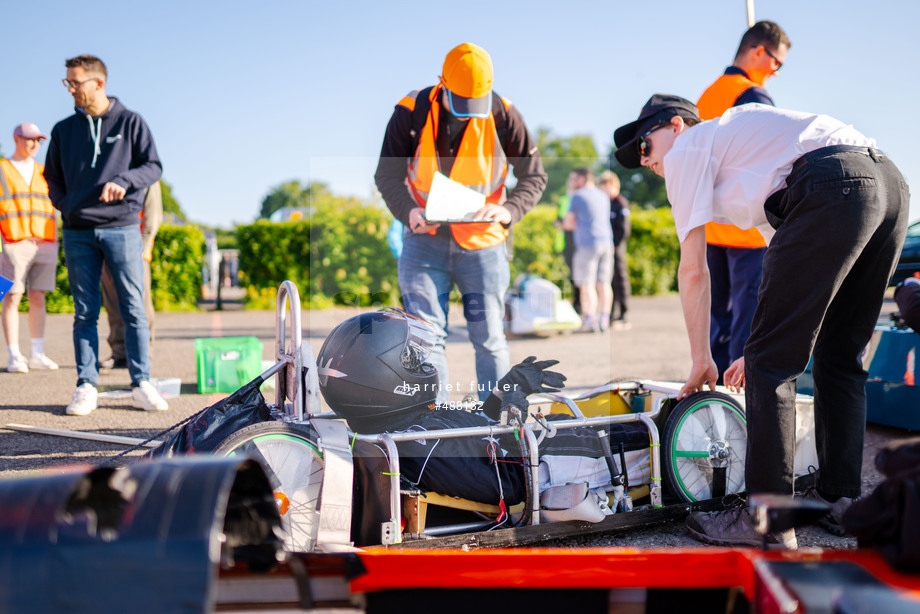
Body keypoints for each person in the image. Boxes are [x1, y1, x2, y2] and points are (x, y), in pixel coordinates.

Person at [613, 94, 909, 549]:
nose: (646, 162)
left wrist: (702, 359)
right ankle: (838, 497)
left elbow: (693, 268)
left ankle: (765, 519)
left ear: (675, 125)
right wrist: (760, 347)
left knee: (773, 364)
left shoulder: (690, 147)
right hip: (887, 185)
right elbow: (792, 273)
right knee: (838, 357)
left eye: (645, 147)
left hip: (833, 184)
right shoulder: (743, 151)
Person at [374, 42, 547, 404]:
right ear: (442, 83)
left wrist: (509, 211)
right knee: (427, 337)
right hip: (424, 239)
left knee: (489, 338)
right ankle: (438, 423)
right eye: (461, 102)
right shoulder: (412, 110)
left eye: (475, 104)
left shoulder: (502, 112)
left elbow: (534, 176)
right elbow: (386, 174)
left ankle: (498, 422)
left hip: (484, 242)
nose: (469, 113)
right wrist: (408, 211)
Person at [44, 54, 168, 416]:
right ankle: (86, 385)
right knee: (85, 312)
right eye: (67, 82)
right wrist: (65, 205)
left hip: (122, 227)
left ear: (98, 84)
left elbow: (153, 166)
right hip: (78, 230)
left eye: (75, 83)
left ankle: (141, 382)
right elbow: (51, 177)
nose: (70, 89)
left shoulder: (131, 122)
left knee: (132, 308)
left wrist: (124, 181)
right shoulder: (63, 130)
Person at [697, 21, 791, 382]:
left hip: (711, 223)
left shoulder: (706, 96)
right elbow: (772, 159)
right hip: (747, 228)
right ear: (757, 52)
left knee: (718, 316)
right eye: (776, 63)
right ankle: (741, 402)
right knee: (747, 319)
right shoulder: (752, 95)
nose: (776, 72)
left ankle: (714, 395)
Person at [0, 123, 60, 373]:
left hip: (45, 243)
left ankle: (37, 353)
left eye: (39, 140)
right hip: (12, 243)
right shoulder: (2, 168)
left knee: (38, 296)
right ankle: (14, 355)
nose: (35, 144)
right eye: (30, 139)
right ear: (16, 138)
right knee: (11, 296)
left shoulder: (43, 171)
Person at [100, 181, 162, 369]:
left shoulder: (147, 177)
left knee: (140, 305)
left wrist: (142, 248)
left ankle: (144, 353)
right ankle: (119, 354)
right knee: (113, 304)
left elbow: (153, 217)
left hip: (136, 251)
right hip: (108, 249)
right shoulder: (107, 172)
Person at [561, 168, 613, 333]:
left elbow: (568, 224)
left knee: (586, 284)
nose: (570, 182)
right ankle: (604, 320)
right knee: (604, 283)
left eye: (573, 178)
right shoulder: (603, 195)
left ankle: (589, 321)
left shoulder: (577, 196)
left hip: (587, 244)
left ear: (582, 179)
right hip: (606, 243)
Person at [597, 171, 631, 329]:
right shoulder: (605, 203)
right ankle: (612, 313)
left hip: (616, 247)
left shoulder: (621, 203)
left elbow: (624, 229)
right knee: (608, 280)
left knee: (620, 279)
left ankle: (624, 313)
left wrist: (614, 244)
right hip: (606, 248)